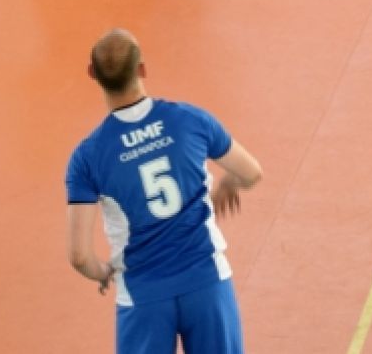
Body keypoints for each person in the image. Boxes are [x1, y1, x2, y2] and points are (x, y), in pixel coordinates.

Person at [66, 29, 263, 354]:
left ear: (92, 74)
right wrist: (229, 182)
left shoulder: (87, 157)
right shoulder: (190, 120)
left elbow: (79, 256)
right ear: (142, 69)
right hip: (206, 281)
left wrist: (103, 272)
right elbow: (252, 172)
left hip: (142, 296)